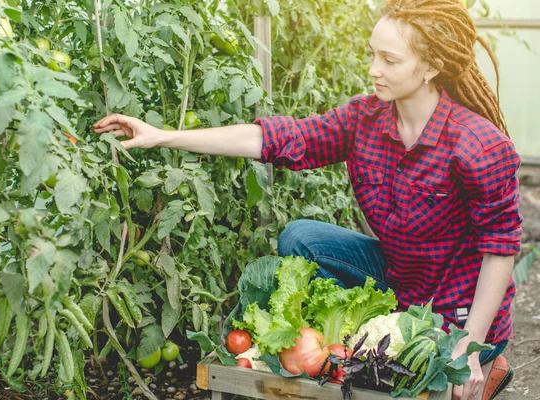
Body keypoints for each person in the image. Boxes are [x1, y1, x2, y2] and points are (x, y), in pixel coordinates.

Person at [94, 0, 521, 399]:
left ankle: (487, 360)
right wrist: (163, 135)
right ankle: (367, 329)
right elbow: (278, 138)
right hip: (403, 279)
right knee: (300, 237)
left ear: (431, 67)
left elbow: (500, 249)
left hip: (457, 305)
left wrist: (468, 344)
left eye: (390, 61)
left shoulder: (477, 145)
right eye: (372, 54)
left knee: (421, 377)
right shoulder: (365, 118)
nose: (374, 69)